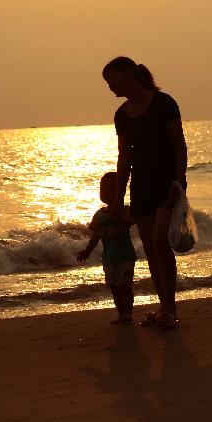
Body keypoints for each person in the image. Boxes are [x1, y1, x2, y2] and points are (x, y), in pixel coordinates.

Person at [101, 55, 188, 330]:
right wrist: (118, 198)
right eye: (107, 81)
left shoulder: (164, 103)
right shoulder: (122, 115)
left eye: (112, 78)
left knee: (161, 243)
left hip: (166, 183)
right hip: (142, 185)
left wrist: (180, 181)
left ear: (129, 73)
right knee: (151, 249)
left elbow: (179, 144)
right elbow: (124, 157)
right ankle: (164, 307)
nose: (110, 85)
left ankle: (171, 310)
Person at [77, 171, 137, 323]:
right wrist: (88, 250)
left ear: (120, 192)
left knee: (125, 285)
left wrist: (117, 214)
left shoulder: (125, 210)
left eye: (111, 189)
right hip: (109, 258)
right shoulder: (99, 215)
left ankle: (128, 313)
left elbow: (130, 222)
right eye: (103, 189)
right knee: (114, 287)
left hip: (125, 256)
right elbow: (96, 235)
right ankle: (121, 313)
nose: (106, 193)